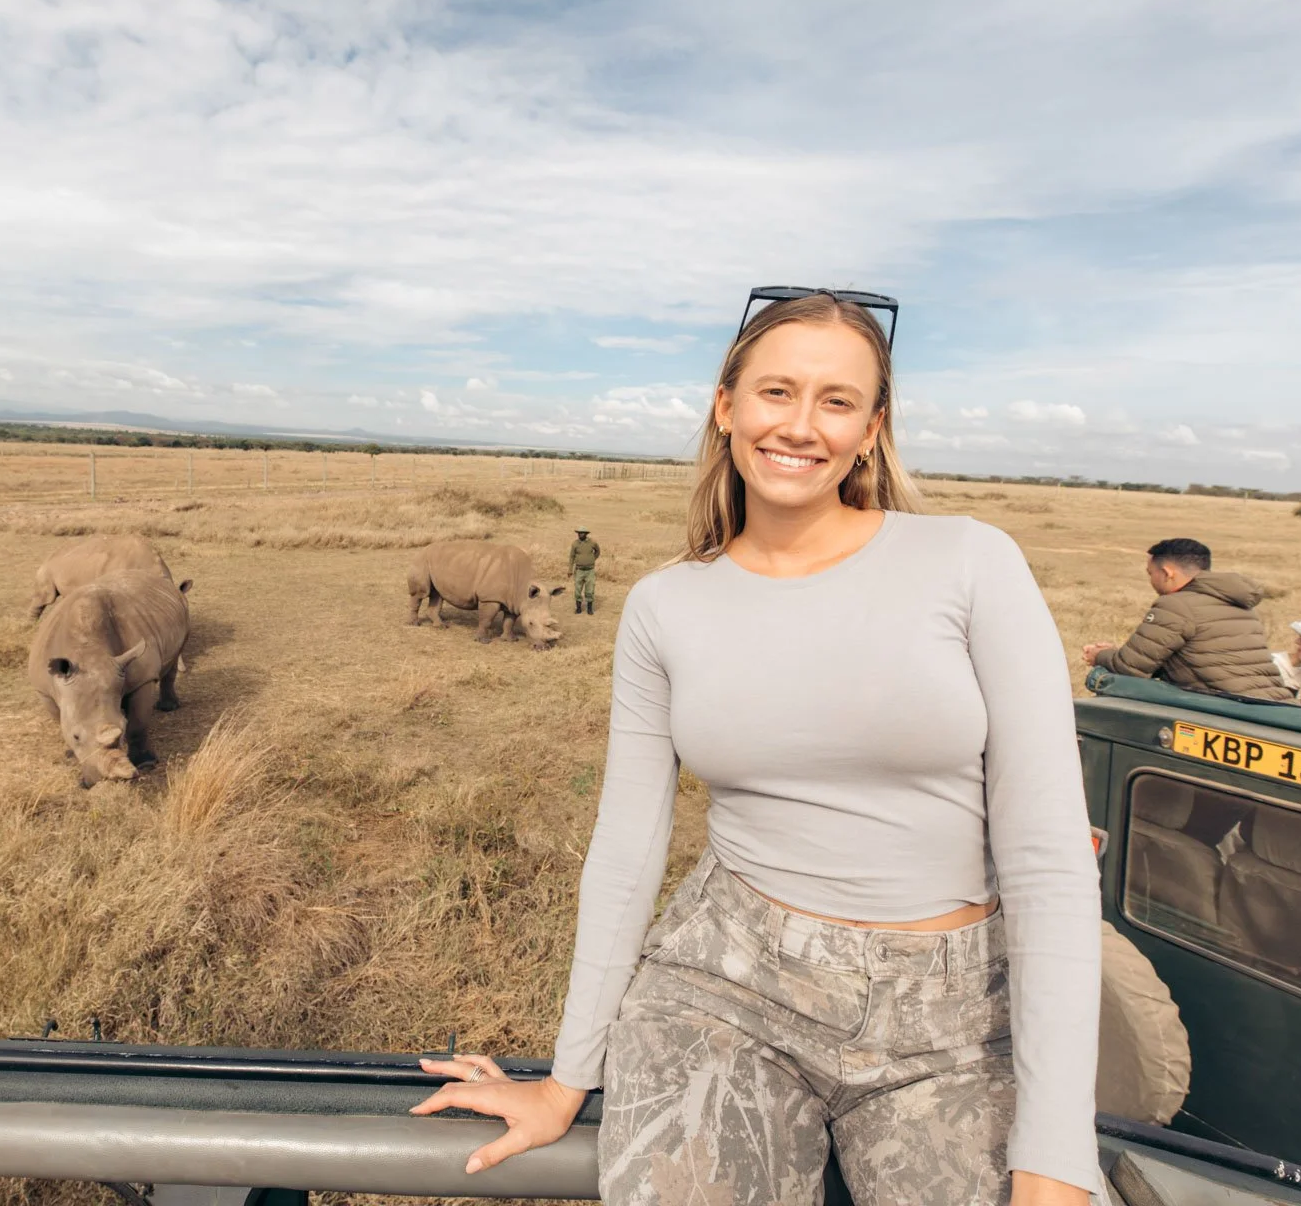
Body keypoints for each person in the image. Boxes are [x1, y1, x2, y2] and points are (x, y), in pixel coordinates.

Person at [412, 293, 1102, 1206]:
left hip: (957, 1015)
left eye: (837, 400)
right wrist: (566, 1078)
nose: (801, 425)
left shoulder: (973, 562)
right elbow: (627, 847)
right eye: (777, 391)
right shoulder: (667, 605)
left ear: (871, 428)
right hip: (725, 984)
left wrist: (1055, 1155)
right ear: (726, 405)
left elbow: (1049, 857)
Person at [1081, 538, 1288, 700]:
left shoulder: (1176, 604)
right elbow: (1200, 661)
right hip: (1272, 703)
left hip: (1230, 707)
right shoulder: (1238, 605)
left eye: (1150, 573)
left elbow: (1130, 668)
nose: (1151, 580)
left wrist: (1099, 656)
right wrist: (1117, 654)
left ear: (1167, 573)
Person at [568, 527, 601, 615]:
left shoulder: (592, 542)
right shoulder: (575, 544)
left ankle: (589, 609)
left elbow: (597, 551)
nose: (580, 534)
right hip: (579, 570)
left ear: (586, 534)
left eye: (582, 533)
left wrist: (592, 559)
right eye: (579, 533)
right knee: (577, 589)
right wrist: (570, 570)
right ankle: (578, 608)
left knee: (590, 590)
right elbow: (571, 557)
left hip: (590, 570)